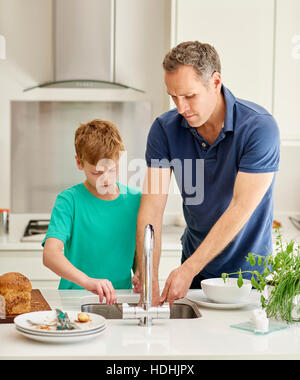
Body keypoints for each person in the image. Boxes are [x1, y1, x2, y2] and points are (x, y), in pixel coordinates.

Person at [135, 41, 280, 307]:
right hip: (196, 277)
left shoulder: (259, 128)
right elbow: (152, 208)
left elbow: (240, 207)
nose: (180, 108)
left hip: (252, 281)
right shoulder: (164, 130)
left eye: (189, 96)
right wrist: (149, 275)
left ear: (215, 82)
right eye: (173, 97)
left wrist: (188, 268)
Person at [42, 119, 141, 304]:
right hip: (74, 300)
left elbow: (136, 250)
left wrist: (139, 272)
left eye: (112, 169)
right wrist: (87, 282)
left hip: (121, 299)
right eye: (96, 173)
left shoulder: (136, 199)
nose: (106, 179)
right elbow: (50, 255)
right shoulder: (69, 200)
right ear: (79, 163)